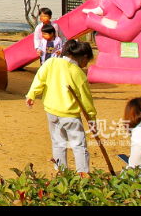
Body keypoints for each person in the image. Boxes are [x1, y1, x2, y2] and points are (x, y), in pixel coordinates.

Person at [26, 40, 97, 174]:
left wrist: (32, 94)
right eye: (87, 62)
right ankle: (83, 174)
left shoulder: (51, 62)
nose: (85, 65)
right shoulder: (78, 73)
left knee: (58, 143)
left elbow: (39, 78)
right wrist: (92, 118)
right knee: (79, 145)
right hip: (70, 115)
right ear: (84, 57)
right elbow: (86, 100)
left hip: (52, 112)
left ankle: (61, 173)